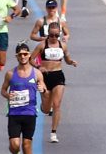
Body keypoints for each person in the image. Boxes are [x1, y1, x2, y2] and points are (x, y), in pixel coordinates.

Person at [3, 41, 45, 154]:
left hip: (30, 113)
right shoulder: (10, 74)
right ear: (16, 56)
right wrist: (8, 96)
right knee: (15, 144)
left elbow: (43, 89)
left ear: (29, 55)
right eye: (20, 54)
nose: (23, 56)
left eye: (25, 54)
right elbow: (3, 90)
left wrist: (42, 89)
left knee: (27, 145)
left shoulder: (36, 73)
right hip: (14, 113)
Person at [31, 12, 74, 141]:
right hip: (44, 76)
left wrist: (71, 62)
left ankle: (53, 133)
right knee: (45, 109)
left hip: (58, 76)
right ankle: (44, 106)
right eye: (52, 35)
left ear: (59, 34)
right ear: (48, 34)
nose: (54, 37)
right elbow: (31, 59)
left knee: (57, 105)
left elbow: (66, 59)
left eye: (56, 35)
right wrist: (39, 67)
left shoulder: (63, 45)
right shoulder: (42, 45)